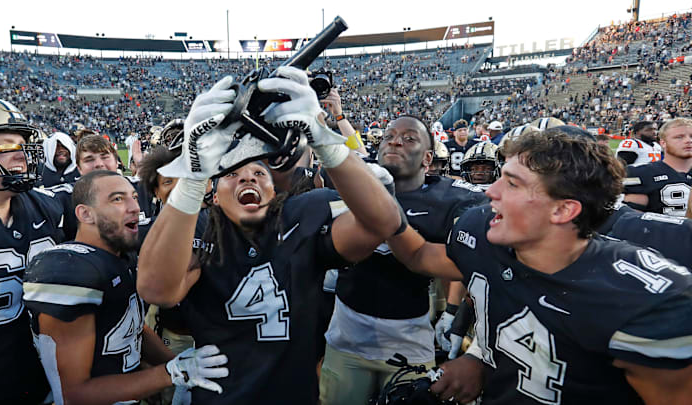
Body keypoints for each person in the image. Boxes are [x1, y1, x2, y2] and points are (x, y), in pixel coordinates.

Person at [137, 68, 404, 404]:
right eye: (232, 174)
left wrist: (324, 139)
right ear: (214, 195)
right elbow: (156, 289)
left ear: (274, 191)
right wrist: (193, 176)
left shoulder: (301, 215)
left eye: (258, 173)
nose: (247, 178)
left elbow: (383, 222)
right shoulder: (204, 226)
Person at [388, 129, 692, 404]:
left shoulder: (640, 296)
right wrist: (480, 358)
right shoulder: (482, 230)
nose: (490, 192)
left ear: (563, 209)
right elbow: (421, 256)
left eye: (512, 183)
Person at [319, 116, 486, 405]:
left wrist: (454, 310)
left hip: (409, 337)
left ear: (428, 157)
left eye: (409, 138)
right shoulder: (352, 184)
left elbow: (468, 260)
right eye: (389, 136)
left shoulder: (451, 197)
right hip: (347, 334)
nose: (395, 141)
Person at [23, 171, 229, 404]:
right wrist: (171, 373)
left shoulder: (123, 257)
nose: (133, 207)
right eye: (118, 199)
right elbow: (75, 394)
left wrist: (181, 363)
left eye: (133, 197)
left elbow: (131, 327)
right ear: (85, 214)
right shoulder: (68, 271)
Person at [0, 96, 69, 404]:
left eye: (23, 144)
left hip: (45, 386)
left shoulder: (45, 206)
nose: (23, 155)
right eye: (9, 145)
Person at [624, 118, 692, 217]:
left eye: (691, 136)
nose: (688, 141)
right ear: (663, 143)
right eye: (679, 137)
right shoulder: (641, 174)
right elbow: (633, 221)